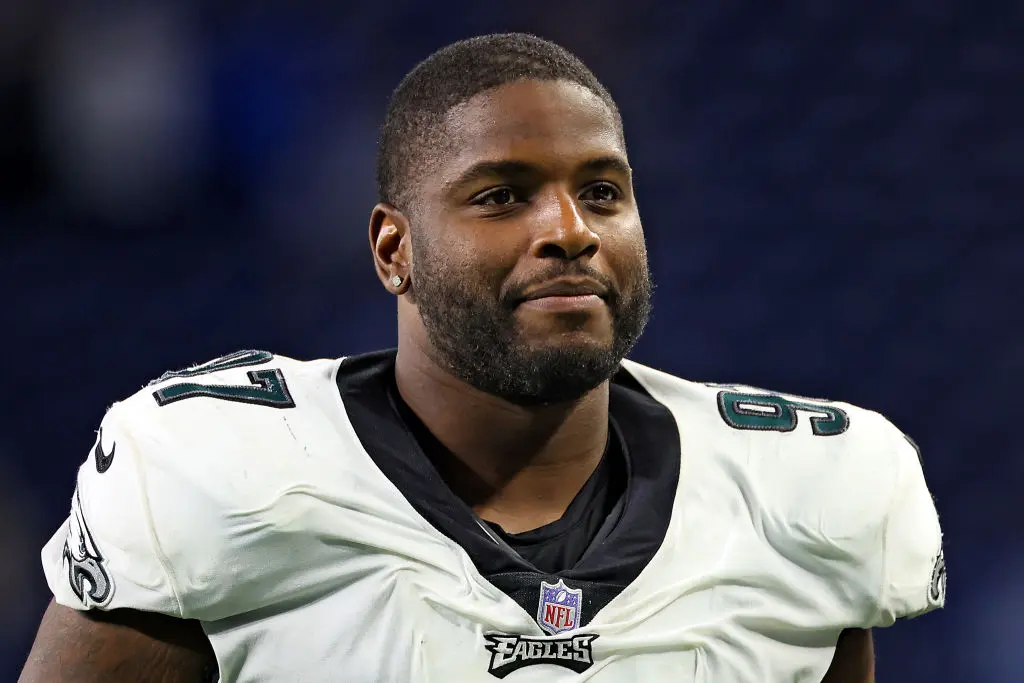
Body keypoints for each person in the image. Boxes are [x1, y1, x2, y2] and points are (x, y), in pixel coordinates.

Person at [20, 33, 944, 682]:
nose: (571, 232)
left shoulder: (811, 494)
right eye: (504, 196)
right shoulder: (213, 477)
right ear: (394, 251)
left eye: (603, 190)